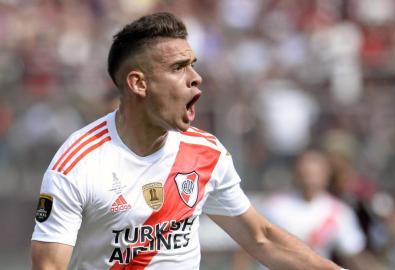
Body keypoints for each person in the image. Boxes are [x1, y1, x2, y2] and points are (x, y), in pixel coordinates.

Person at [31, 12, 345, 270]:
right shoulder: (77, 164)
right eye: (179, 68)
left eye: (192, 64)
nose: (196, 77)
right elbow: (49, 267)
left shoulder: (206, 153)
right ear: (139, 84)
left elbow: (262, 239)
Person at [259, 149, 384, 270]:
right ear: (296, 173)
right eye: (306, 172)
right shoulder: (273, 206)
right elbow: (248, 248)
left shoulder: (338, 212)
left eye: (315, 173)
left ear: (326, 175)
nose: (310, 179)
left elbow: (354, 254)